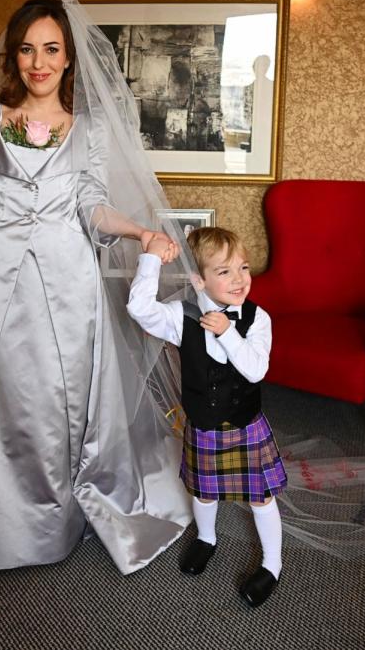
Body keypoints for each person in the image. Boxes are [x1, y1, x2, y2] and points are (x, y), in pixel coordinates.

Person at [0, 0, 195, 573]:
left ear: (67, 58)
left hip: (67, 278)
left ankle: (55, 518)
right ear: (13, 56)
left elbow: (92, 206)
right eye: (27, 49)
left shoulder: (91, 126)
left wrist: (137, 229)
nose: (38, 62)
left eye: (51, 49)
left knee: (60, 399)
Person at [127, 227, 287, 608]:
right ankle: (206, 538)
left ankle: (272, 564)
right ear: (198, 279)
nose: (240, 280)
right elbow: (139, 309)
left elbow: (254, 370)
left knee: (261, 499)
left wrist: (229, 331)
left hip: (245, 426)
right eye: (225, 271)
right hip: (204, 427)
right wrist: (150, 257)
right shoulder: (182, 317)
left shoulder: (256, 318)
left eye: (243, 268)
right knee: (202, 490)